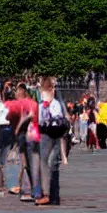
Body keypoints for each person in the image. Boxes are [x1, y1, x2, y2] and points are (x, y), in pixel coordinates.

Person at [37, 76, 67, 206]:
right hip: (46, 134)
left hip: (51, 134)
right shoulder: (44, 105)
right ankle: (49, 194)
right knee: (48, 163)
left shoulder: (53, 104)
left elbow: (57, 119)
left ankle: (51, 195)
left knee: (50, 163)